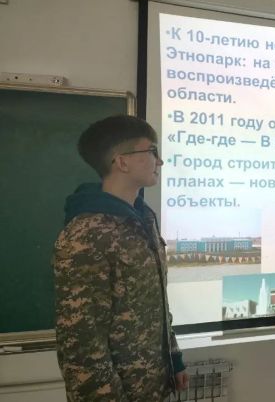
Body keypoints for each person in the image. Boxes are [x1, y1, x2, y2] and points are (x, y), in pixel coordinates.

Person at [53, 115, 188, 401]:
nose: (160, 161)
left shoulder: (143, 218)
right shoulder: (87, 234)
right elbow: (81, 343)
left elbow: (155, 301)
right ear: (122, 162)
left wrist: (173, 357)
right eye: (152, 151)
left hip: (154, 385)